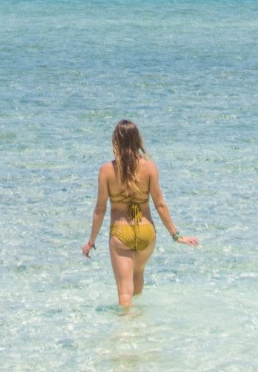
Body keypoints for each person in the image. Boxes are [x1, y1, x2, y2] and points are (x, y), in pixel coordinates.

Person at [81, 119, 198, 309]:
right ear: (137, 140)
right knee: (137, 274)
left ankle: (126, 330)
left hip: (121, 232)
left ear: (115, 142)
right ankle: (140, 329)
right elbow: (160, 204)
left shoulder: (107, 171)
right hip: (146, 232)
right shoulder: (149, 167)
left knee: (124, 292)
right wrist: (176, 235)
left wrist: (91, 242)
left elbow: (100, 209)